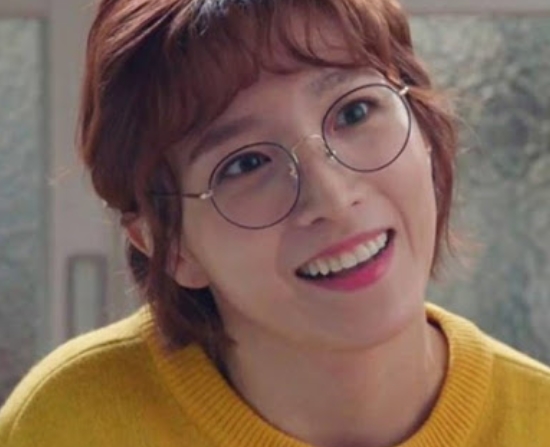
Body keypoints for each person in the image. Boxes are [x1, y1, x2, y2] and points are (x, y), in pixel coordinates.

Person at [1, 0, 550, 445]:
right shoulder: (67, 424)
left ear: (424, 129)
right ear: (170, 246)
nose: (333, 198)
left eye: (355, 112)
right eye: (245, 165)